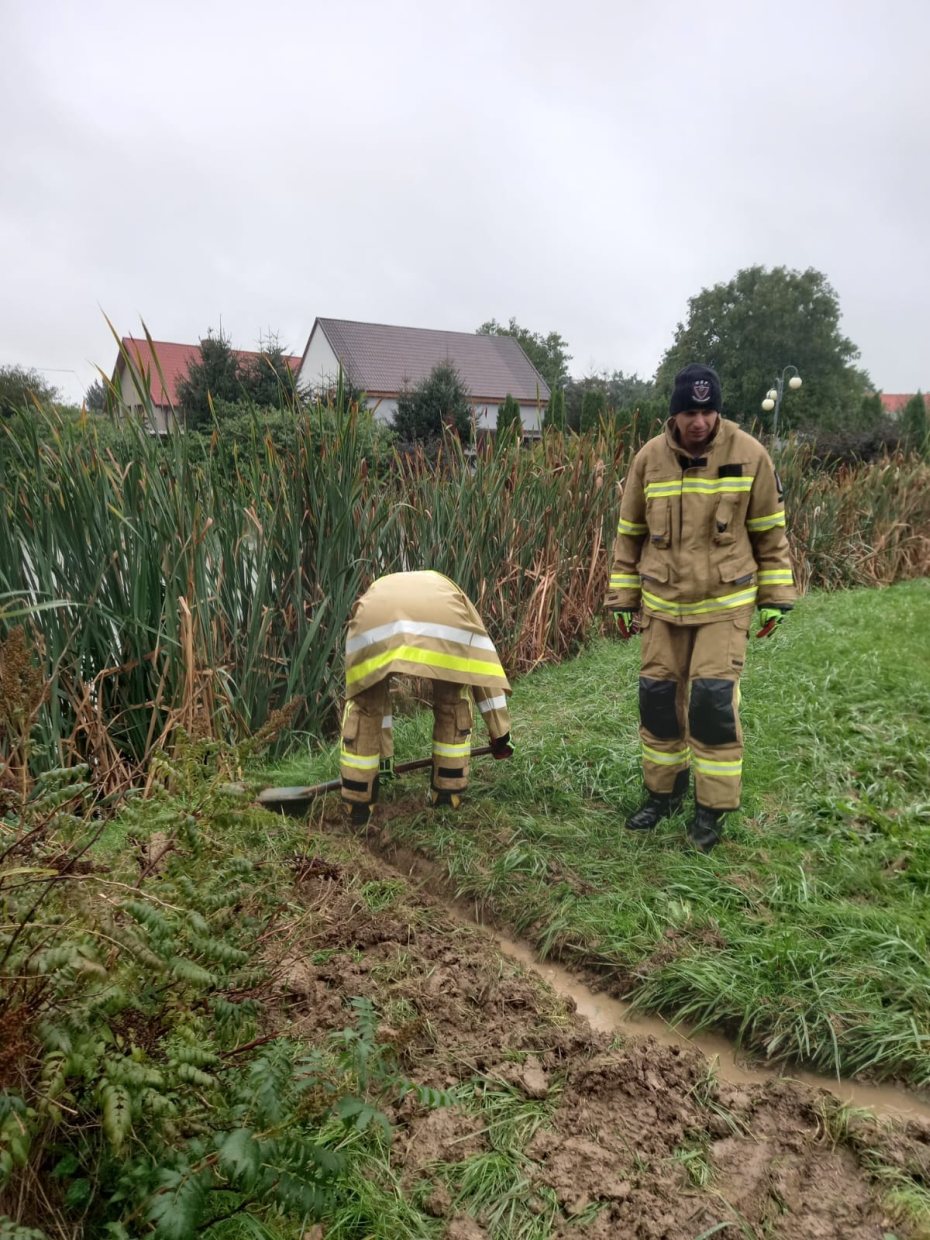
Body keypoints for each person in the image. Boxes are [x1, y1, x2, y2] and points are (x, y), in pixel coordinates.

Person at [605, 363, 796, 852]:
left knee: (711, 704)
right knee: (658, 702)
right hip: (662, 605)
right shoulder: (649, 460)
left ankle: (710, 810)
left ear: (718, 412)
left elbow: (770, 534)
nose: (699, 422)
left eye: (707, 412)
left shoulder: (749, 454)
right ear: (674, 414)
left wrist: (776, 598)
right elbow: (629, 535)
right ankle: (663, 794)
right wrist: (623, 597)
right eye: (689, 412)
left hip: (724, 604)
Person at [339, 570, 514, 825]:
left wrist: (384, 760)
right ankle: (447, 793)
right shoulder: (458, 599)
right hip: (446, 617)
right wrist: (500, 735)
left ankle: (358, 802)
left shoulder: (378, 587)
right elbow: (485, 676)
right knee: (452, 701)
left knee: (365, 704)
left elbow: (374, 699)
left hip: (373, 614)